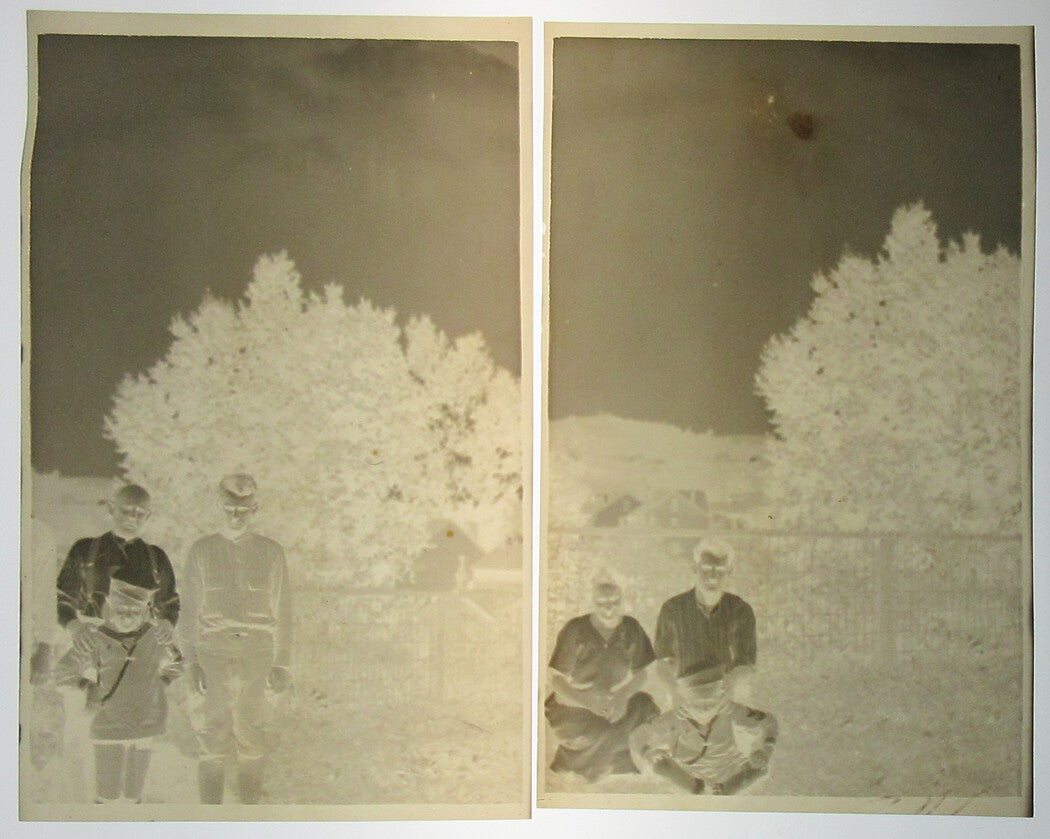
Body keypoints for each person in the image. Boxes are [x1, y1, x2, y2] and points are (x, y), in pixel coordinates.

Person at [179, 474, 292, 804]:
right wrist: (191, 662)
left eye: (243, 509)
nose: (235, 516)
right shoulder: (202, 551)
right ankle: (210, 822)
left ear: (255, 507)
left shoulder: (272, 552)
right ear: (219, 506)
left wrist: (282, 663)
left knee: (252, 736)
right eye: (229, 507)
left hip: (258, 653)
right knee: (211, 738)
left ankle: (249, 820)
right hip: (212, 652)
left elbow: (284, 610)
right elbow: (189, 611)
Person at [53, 563, 183, 804]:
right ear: (110, 606)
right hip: (108, 725)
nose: (127, 616)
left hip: (144, 725)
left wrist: (160, 684)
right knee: (108, 795)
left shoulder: (154, 636)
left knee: (134, 797)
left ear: (145, 609)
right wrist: (86, 686)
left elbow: (177, 663)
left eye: (134, 610)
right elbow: (62, 672)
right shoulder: (97, 638)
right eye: (122, 609)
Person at [544, 573, 660, 782]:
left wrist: (623, 696)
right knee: (601, 729)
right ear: (592, 602)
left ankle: (609, 759)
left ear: (623, 601)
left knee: (645, 705)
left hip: (613, 702)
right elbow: (556, 679)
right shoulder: (576, 629)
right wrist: (586, 701)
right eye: (601, 603)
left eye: (615, 602)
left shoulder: (631, 627)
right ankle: (589, 766)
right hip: (575, 704)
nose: (608, 609)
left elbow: (643, 673)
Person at [56, 484, 180, 653]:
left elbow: (169, 604)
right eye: (126, 511)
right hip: (89, 645)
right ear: (111, 508)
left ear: (148, 516)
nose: (132, 518)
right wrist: (75, 627)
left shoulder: (156, 557)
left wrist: (167, 622)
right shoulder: (85, 550)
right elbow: (62, 600)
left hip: (136, 650)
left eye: (140, 513)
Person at [629, 662, 777, 795]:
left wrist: (765, 750)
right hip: (686, 773)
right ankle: (697, 790)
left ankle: (723, 793)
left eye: (711, 701)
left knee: (761, 768)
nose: (704, 708)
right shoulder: (675, 717)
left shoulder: (730, 711)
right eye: (697, 703)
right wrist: (647, 752)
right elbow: (637, 735)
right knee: (659, 764)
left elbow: (768, 722)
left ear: (720, 697)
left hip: (728, 770)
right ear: (685, 699)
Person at [653, 538, 756, 701]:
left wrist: (730, 686)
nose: (713, 576)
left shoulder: (741, 611)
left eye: (720, 569)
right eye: (707, 568)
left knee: (767, 724)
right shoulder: (672, 609)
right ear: (695, 568)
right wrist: (674, 692)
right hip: (684, 695)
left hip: (725, 694)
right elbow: (663, 663)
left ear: (729, 571)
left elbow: (745, 664)